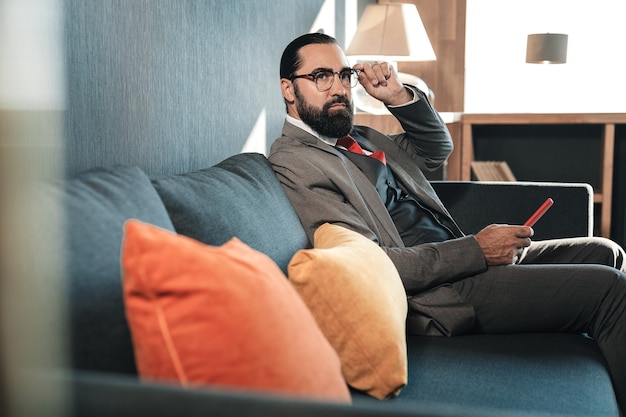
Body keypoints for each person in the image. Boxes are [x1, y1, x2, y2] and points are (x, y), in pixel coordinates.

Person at [268, 32, 626, 411]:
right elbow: (374, 265)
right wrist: (477, 249)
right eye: (322, 76)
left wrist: (398, 97)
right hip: (436, 296)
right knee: (610, 290)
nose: (339, 88)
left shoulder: (361, 137)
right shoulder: (295, 161)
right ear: (289, 89)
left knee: (606, 251)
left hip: (460, 264)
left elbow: (437, 148)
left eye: (344, 75)